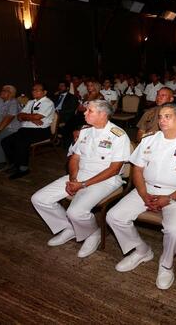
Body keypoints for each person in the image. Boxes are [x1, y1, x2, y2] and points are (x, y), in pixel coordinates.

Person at [107, 103, 176, 290]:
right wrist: (143, 194)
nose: (162, 120)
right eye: (160, 116)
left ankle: (166, 264)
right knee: (114, 216)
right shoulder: (150, 139)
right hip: (147, 189)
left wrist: (170, 198)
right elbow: (138, 170)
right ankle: (141, 251)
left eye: (168, 116)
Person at [31, 100, 131, 258]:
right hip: (80, 175)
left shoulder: (118, 135)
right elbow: (75, 158)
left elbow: (114, 169)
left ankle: (93, 234)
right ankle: (69, 228)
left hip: (107, 179)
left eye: (89, 111)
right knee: (39, 199)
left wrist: (83, 184)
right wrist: (73, 179)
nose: (84, 113)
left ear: (103, 114)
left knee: (76, 212)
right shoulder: (85, 131)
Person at [1, 82, 55, 179]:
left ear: (45, 92)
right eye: (33, 90)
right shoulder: (30, 102)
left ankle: (23, 168)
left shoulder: (48, 103)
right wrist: (32, 118)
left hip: (41, 131)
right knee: (5, 141)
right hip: (25, 129)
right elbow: (19, 116)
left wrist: (29, 117)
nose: (34, 92)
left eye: (37, 90)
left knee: (21, 141)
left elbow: (37, 116)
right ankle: (15, 164)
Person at [0, 85, 21, 168]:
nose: (2, 92)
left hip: (12, 128)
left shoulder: (14, 102)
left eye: (6, 91)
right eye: (2, 90)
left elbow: (9, 117)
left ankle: (0, 163)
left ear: (12, 94)